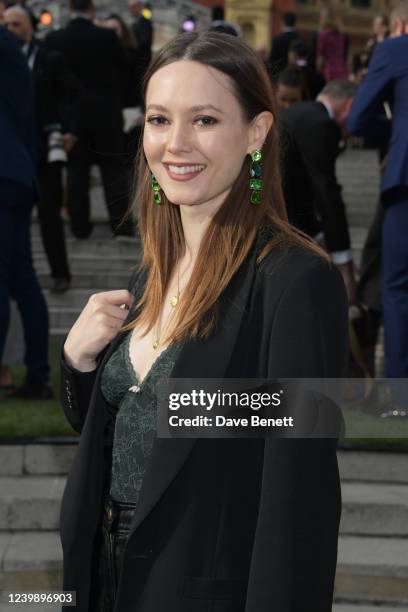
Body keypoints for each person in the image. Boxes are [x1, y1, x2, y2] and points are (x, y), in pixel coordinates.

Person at [60, 31, 348, 611]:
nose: (176, 143)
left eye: (206, 120)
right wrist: (78, 364)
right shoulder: (150, 276)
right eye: (159, 120)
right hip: (101, 582)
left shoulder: (293, 281)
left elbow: (298, 499)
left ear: (257, 133)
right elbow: (140, 430)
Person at [348, 1, 408, 411]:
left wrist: (397, 133)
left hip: (406, 182)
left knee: (399, 288)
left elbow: (357, 119)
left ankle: (399, 400)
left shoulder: (395, 50)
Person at [4, 4, 78, 294]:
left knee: (50, 216)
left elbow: (72, 94)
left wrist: (69, 129)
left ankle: (60, 273)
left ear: (31, 26)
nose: (9, 30)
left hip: (45, 150)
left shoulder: (49, 57)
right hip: (13, 152)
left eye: (16, 25)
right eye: (6, 25)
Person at [46, 0, 135, 240]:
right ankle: (122, 227)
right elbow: (126, 69)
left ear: (69, 8)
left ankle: (79, 228)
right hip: (107, 114)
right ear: (92, 9)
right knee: (113, 172)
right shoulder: (106, 37)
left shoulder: (55, 39)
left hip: (72, 118)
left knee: (76, 174)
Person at [0, 26, 52, 399]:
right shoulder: (11, 46)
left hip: (4, 174)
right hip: (16, 173)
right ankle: (38, 375)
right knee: (22, 280)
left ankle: (36, 374)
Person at [280, 80, 357, 303]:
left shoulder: (301, 113)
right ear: (349, 106)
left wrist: (321, 233)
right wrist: (344, 260)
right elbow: (326, 190)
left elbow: (305, 184)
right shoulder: (322, 124)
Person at [316, 8, 349, 82]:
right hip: (342, 69)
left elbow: (320, 56)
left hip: (329, 70)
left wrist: (317, 72)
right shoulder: (341, 35)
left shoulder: (322, 35)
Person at [129, 0, 153, 73]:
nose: (131, 10)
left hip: (141, 60)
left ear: (139, 7)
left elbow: (144, 42)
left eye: (133, 7)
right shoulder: (138, 21)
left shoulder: (144, 21)